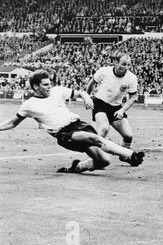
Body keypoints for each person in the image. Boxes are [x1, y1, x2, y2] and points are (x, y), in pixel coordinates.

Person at [0, 70, 145, 174]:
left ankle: (77, 167)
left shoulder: (57, 90)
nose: (49, 86)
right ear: (36, 87)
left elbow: (80, 92)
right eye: (45, 85)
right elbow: (13, 122)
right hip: (64, 133)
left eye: (50, 83)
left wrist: (87, 98)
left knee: (103, 162)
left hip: (78, 125)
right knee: (94, 138)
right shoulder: (29, 105)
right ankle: (130, 155)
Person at [86, 53, 139, 166]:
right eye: (123, 64)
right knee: (104, 129)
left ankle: (124, 156)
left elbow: (133, 97)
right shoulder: (104, 71)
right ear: (116, 62)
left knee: (128, 136)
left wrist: (122, 110)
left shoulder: (131, 78)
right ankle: (96, 157)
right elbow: (92, 82)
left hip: (116, 107)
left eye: (128, 65)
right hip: (100, 103)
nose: (126, 67)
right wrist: (87, 97)